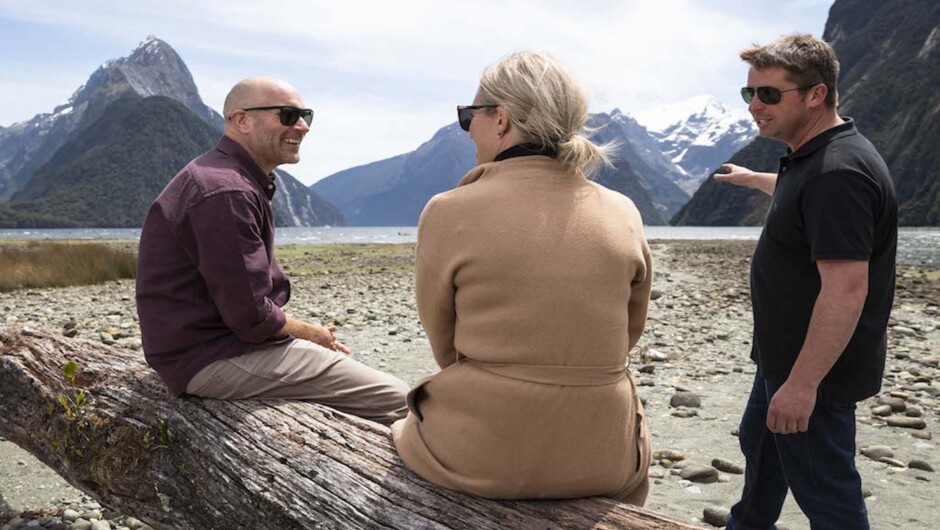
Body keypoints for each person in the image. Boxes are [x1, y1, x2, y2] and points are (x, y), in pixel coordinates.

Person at [391, 52, 653, 504]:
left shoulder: (449, 210)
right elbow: (628, 333)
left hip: (485, 454)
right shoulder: (623, 210)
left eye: (468, 116)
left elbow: (445, 344)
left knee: (402, 431)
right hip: (604, 455)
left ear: (501, 120)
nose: (467, 128)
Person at [136, 77, 408, 425]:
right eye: (288, 115)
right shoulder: (226, 191)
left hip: (205, 348)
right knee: (400, 400)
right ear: (242, 121)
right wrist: (312, 333)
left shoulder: (225, 178)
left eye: (305, 114)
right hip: (209, 358)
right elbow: (251, 318)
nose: (303, 126)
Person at [714, 35, 897, 529]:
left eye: (769, 95)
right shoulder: (816, 157)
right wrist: (755, 178)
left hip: (813, 372)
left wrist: (802, 385)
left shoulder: (836, 173)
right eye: (748, 94)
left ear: (816, 95)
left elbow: (846, 289)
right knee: (762, 455)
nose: (755, 106)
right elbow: (802, 198)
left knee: (828, 496)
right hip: (785, 360)